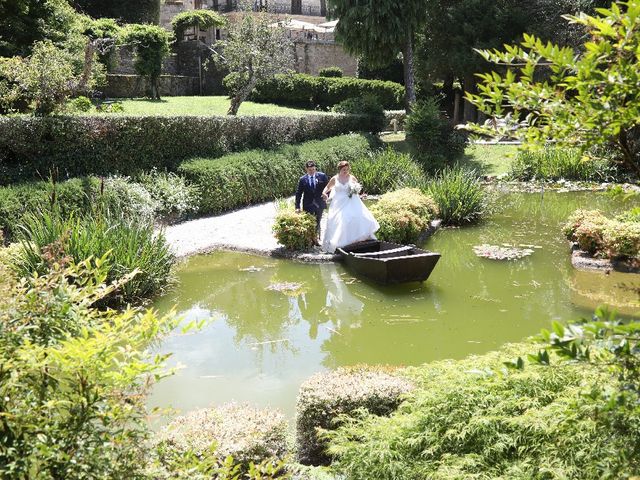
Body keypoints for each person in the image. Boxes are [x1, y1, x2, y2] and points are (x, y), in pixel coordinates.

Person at [321, 161, 379, 253]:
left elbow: (357, 189)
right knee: (340, 221)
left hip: (351, 201)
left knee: (356, 217)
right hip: (338, 203)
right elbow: (327, 188)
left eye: (347, 169)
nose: (346, 171)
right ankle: (339, 243)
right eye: (344, 170)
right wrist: (324, 193)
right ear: (339, 169)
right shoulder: (334, 179)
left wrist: (358, 193)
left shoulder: (352, 178)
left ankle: (356, 239)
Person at [295, 160, 329, 244]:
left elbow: (328, 188)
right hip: (308, 204)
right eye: (310, 170)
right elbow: (298, 193)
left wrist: (327, 196)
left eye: (313, 169)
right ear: (306, 169)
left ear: (315, 168)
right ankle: (312, 239)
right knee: (310, 222)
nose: (312, 171)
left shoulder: (322, 176)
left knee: (318, 220)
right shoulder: (302, 179)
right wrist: (297, 207)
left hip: (319, 203)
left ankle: (316, 238)